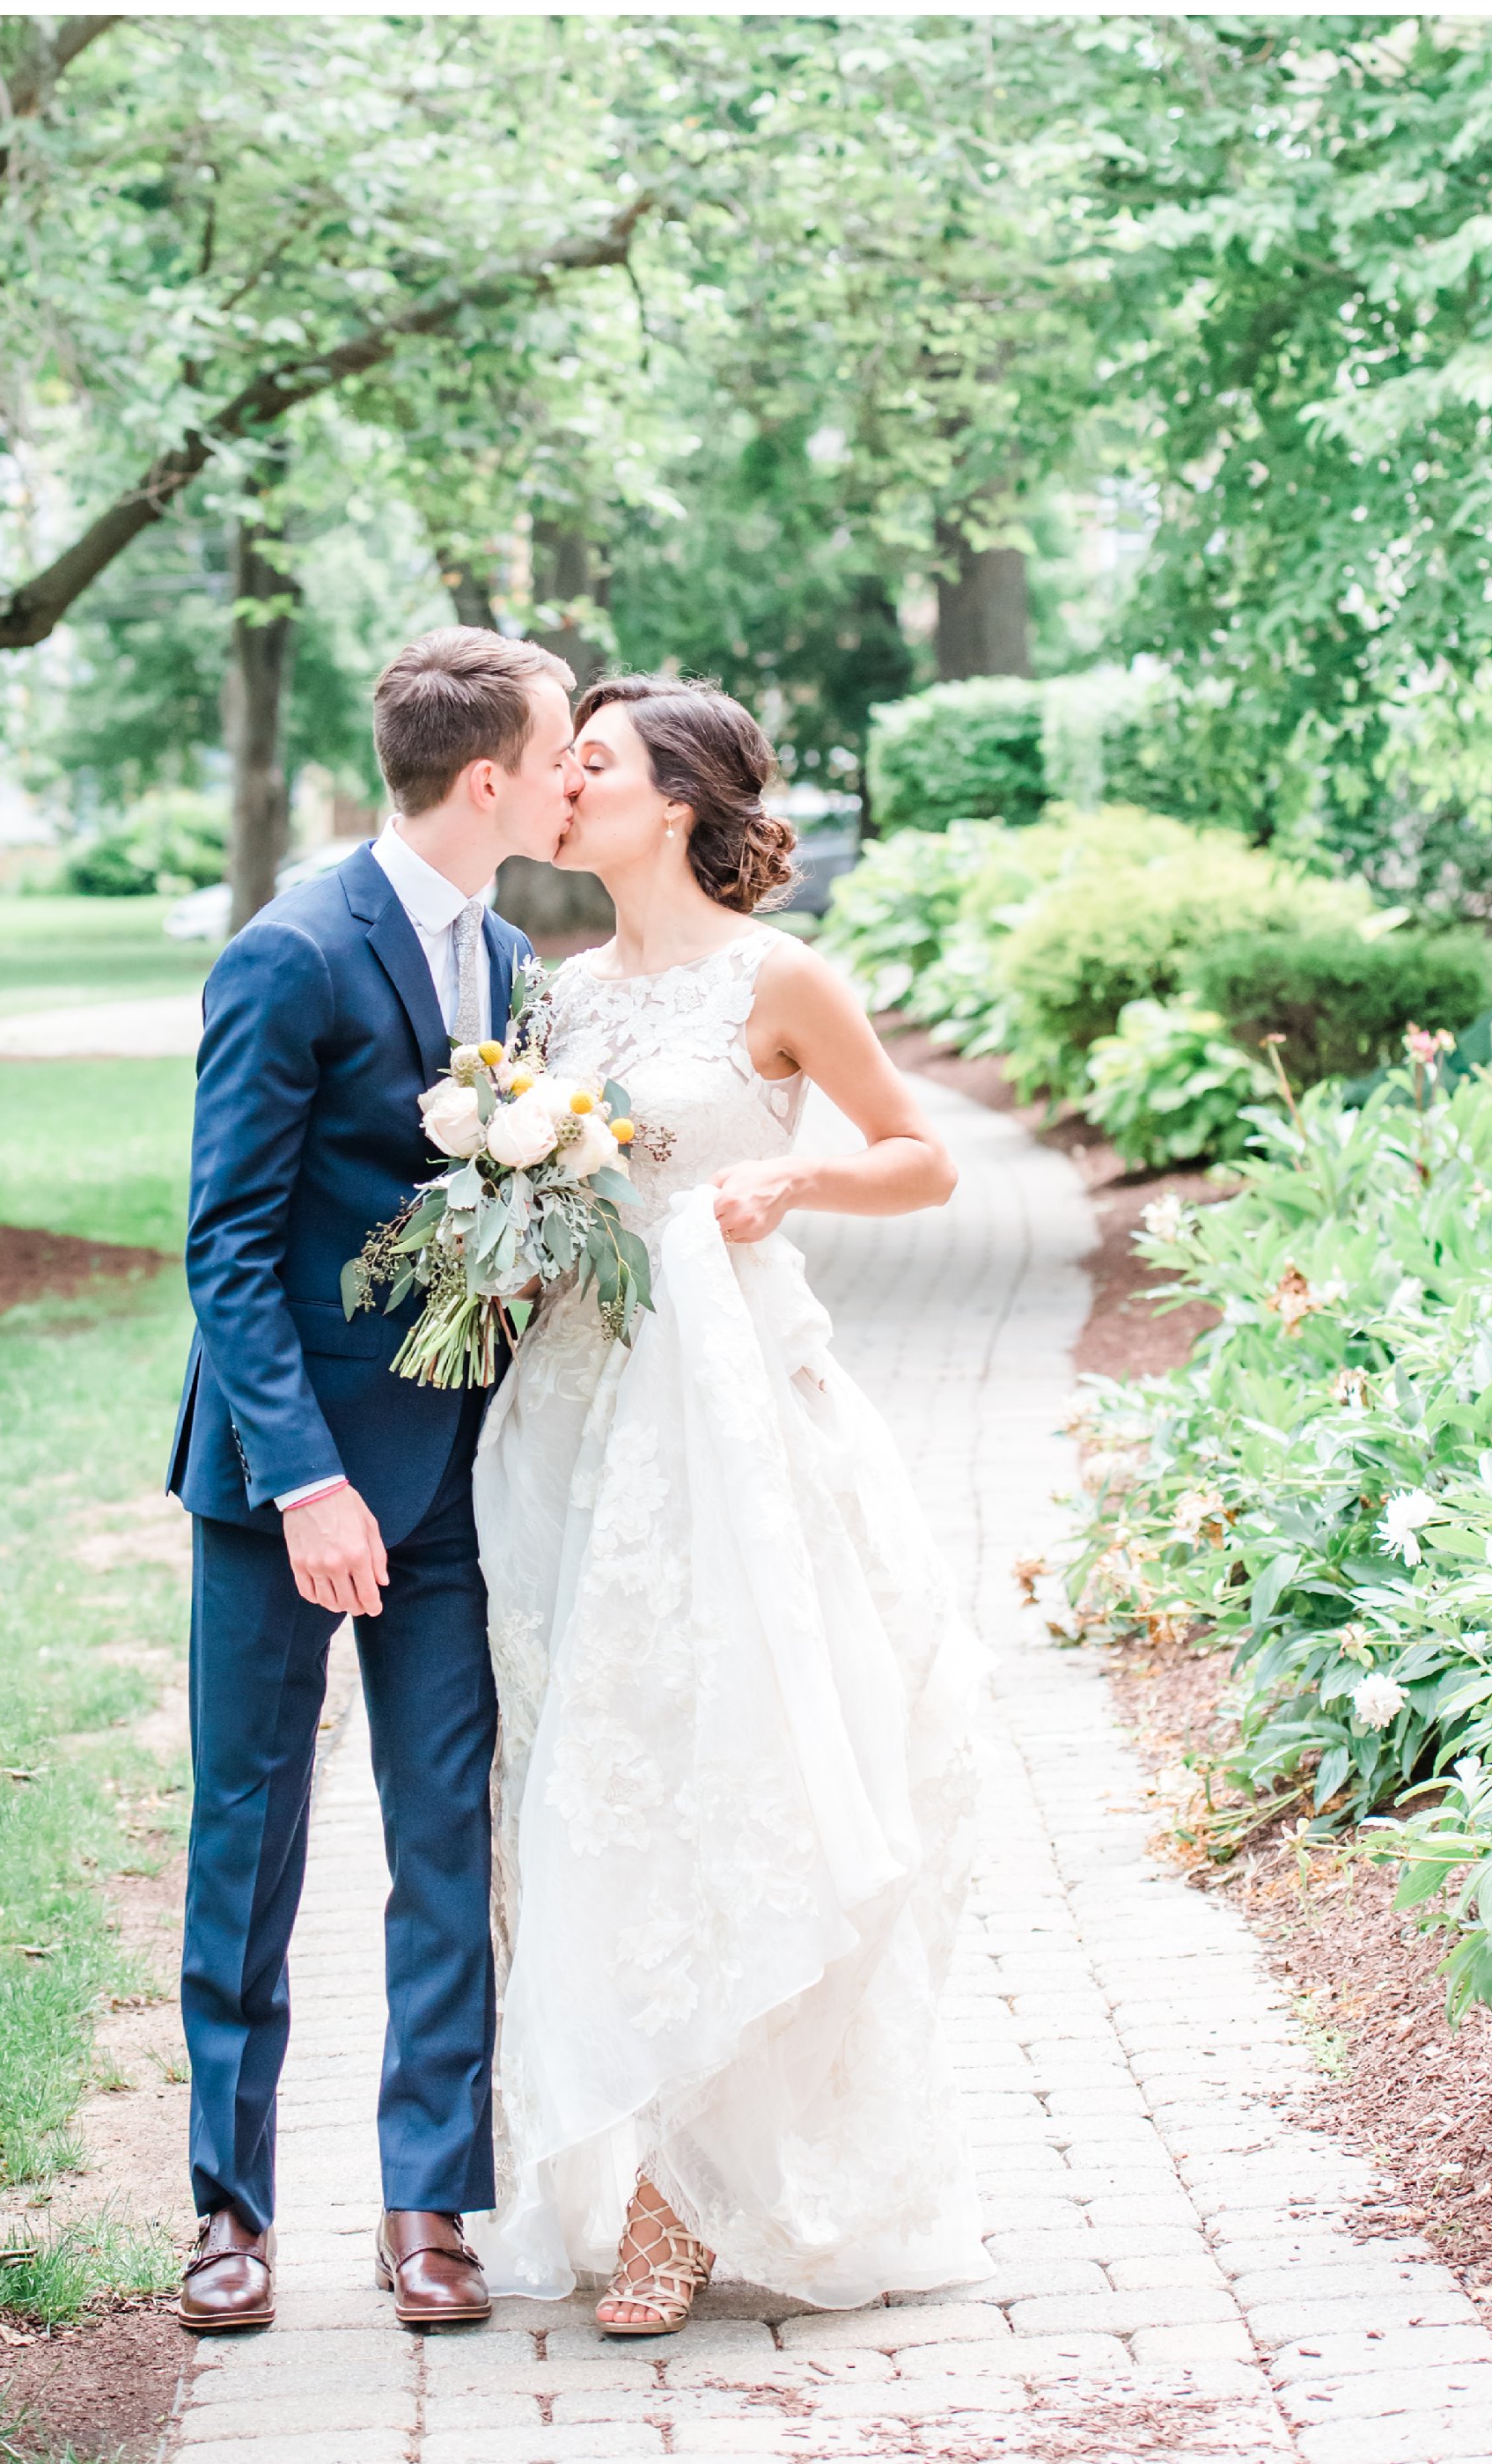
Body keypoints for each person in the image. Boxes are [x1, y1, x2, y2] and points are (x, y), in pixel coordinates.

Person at [473, 676, 991, 2332]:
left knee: (730, 1767)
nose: (564, 787)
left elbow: (924, 1157)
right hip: (571, 1414)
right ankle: (623, 2150)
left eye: (595, 764)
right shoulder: (547, 1005)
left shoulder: (777, 979)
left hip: (735, 1433)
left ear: (675, 803)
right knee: (589, 1778)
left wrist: (790, 1174)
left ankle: (676, 2202)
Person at [165, 627, 581, 2333]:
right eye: (561, 752)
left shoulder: (510, 955)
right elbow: (228, 1246)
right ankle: (227, 2212)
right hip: (286, 1491)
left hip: (458, 1483)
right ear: (485, 779)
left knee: (442, 1843)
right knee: (246, 1842)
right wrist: (305, 1484)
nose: (574, 775)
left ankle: (429, 2206)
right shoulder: (288, 955)